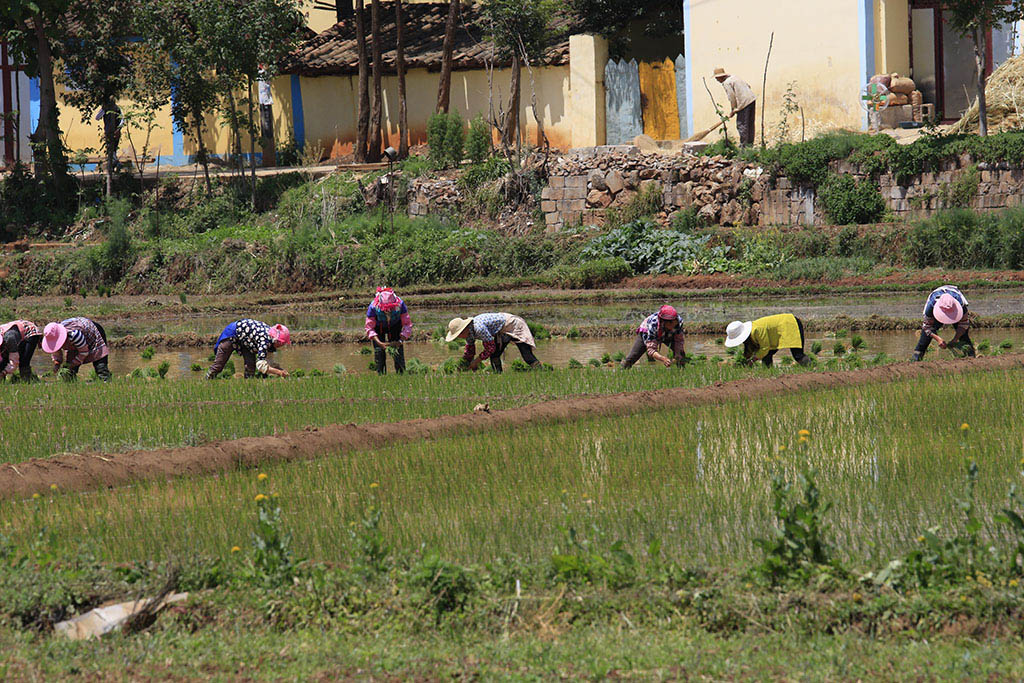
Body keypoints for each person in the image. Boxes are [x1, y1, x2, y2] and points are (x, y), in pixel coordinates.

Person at [445, 312, 540, 373]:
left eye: (458, 335)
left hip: (513, 324)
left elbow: (490, 348)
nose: (459, 337)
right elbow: (470, 352)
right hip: (500, 331)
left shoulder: (478, 329)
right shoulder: (469, 334)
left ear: (463, 330)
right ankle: (498, 376)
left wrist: (476, 361)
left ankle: (541, 372)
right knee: (495, 356)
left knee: (526, 355)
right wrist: (464, 364)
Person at [207, 319, 291, 379]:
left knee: (251, 366)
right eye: (281, 343)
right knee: (219, 365)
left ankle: (248, 385)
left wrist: (281, 370)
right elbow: (261, 366)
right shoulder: (264, 340)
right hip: (232, 334)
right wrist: (279, 373)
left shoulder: (270, 340)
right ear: (276, 340)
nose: (281, 346)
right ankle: (207, 380)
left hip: (246, 341)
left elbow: (269, 361)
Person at [912, 285, 974, 361]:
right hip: (936, 308)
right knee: (925, 338)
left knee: (964, 336)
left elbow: (964, 324)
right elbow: (927, 327)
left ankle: (971, 358)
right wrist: (938, 339)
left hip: (954, 299)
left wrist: (955, 339)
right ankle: (916, 359)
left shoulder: (961, 305)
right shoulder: (931, 307)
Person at [725, 313, 812, 368]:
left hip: (790, 324)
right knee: (767, 356)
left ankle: (810, 370)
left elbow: (765, 348)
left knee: (798, 355)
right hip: (777, 331)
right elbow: (755, 350)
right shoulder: (750, 336)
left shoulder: (757, 330)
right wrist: (743, 361)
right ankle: (768, 374)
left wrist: (752, 360)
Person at [41, 317, 112, 381]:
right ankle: (71, 384)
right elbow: (56, 351)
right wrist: (57, 363)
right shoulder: (53, 336)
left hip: (93, 331)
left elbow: (83, 353)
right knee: (68, 373)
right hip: (75, 341)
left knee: (100, 367)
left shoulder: (74, 334)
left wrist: (73, 364)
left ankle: (105, 381)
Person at [621, 305, 687, 368]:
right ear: (664, 322)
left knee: (681, 354)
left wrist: (677, 354)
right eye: (671, 324)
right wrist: (662, 359)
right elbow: (651, 349)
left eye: (674, 323)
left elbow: (679, 341)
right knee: (633, 356)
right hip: (648, 332)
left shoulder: (678, 322)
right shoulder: (653, 325)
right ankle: (623, 370)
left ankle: (681, 372)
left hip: (668, 334)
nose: (673, 326)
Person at [365, 287, 412, 375]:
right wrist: (380, 343)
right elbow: (369, 328)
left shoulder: (401, 305)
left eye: (391, 309)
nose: (389, 311)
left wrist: (400, 341)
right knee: (379, 354)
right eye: (386, 310)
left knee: (398, 353)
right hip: (379, 327)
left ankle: (401, 375)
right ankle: (381, 376)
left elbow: (407, 324)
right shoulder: (373, 307)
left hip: (395, 325)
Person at [714, 67, 757, 147]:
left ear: (720, 77)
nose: (717, 80)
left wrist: (733, 109)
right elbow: (748, 86)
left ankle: (744, 147)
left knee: (742, 124)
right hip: (751, 100)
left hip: (744, 103)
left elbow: (731, 97)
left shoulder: (726, 83)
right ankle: (750, 145)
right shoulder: (735, 77)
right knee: (750, 124)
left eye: (717, 78)